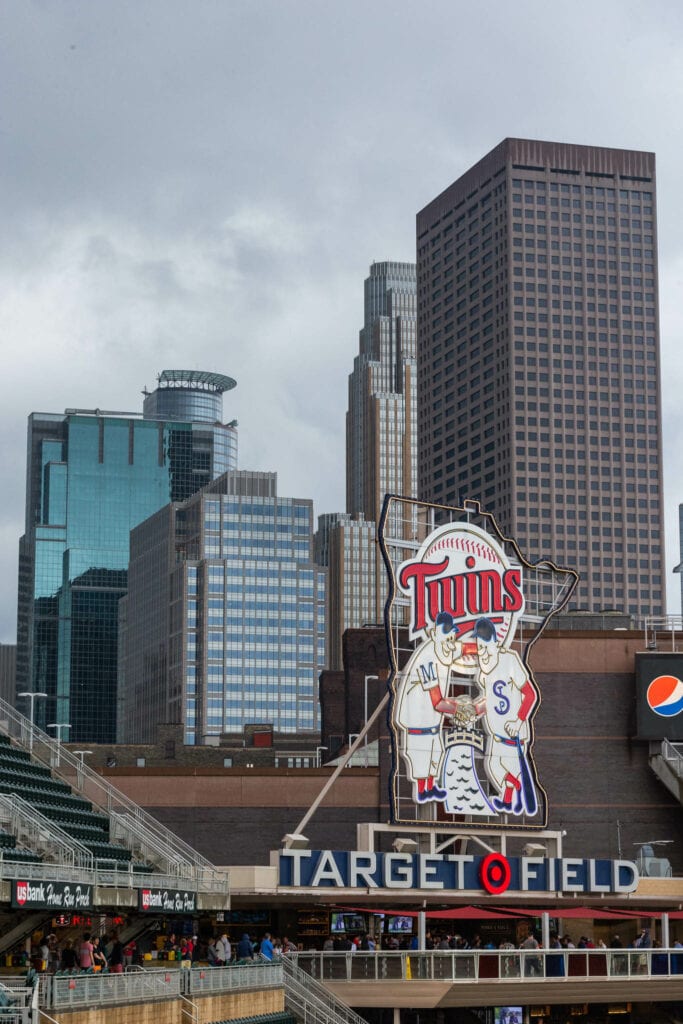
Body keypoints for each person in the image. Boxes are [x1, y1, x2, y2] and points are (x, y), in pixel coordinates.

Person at [452, 617, 539, 814]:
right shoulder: (485, 670)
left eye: (484, 646)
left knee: (502, 767)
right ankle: (513, 793)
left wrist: (519, 720)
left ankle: (515, 791)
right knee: (493, 767)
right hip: (496, 734)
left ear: (495, 642)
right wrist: (474, 712)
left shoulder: (509, 659)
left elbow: (530, 694)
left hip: (512, 734)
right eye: (479, 646)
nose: (481, 651)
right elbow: (489, 700)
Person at [394, 611, 463, 803]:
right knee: (421, 762)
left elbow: (463, 649)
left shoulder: (443, 649)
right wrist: (461, 708)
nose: (451, 640)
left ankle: (430, 788)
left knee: (435, 757)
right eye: (447, 635)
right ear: (434, 633)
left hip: (431, 725)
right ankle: (424, 790)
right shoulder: (427, 657)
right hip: (417, 726)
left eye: (452, 635)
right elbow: (437, 701)